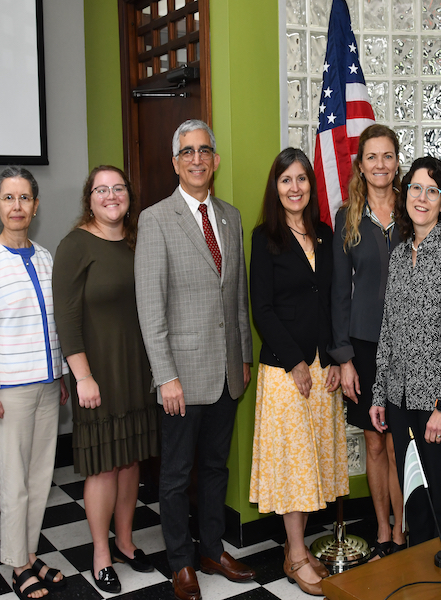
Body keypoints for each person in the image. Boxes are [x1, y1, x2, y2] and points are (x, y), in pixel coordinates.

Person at [135, 119, 255, 600]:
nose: (197, 158)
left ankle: (211, 548)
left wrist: (243, 357)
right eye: (187, 152)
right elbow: (150, 306)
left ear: (216, 160)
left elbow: (238, 297)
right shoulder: (156, 219)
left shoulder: (231, 216)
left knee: (215, 469)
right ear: (175, 162)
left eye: (205, 150)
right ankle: (181, 563)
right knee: (177, 473)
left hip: (226, 373)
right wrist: (165, 375)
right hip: (181, 377)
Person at [52, 166, 160, 594]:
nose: (111, 196)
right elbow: (67, 319)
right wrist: (83, 377)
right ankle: (100, 553)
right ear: (89, 198)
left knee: (130, 459)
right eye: (102, 190)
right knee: (103, 466)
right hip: (97, 372)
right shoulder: (75, 245)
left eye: (118, 189)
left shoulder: (137, 242)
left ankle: (127, 542)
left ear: (128, 196)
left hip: (136, 368)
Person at [249, 148, 348, 596]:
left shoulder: (325, 235)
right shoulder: (264, 237)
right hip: (286, 373)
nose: (295, 188)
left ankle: (300, 548)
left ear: (311, 185)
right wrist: (296, 362)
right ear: (276, 187)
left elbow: (331, 301)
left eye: (302, 179)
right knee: (294, 467)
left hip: (322, 369)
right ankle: (294, 555)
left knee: (314, 466)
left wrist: (330, 356)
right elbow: (262, 310)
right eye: (286, 180)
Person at [0, 167, 69, 599]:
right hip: (9, 389)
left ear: (35, 204)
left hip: (47, 383)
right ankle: (17, 565)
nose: (16, 207)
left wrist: (61, 372)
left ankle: (27, 553)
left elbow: (56, 322)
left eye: (24, 198)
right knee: (14, 481)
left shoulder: (45, 257)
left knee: (40, 477)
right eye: (8, 198)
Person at [369, 156, 441, 546]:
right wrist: (380, 394)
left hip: (440, 405)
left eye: (433, 191)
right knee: (414, 501)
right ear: (405, 194)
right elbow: (389, 329)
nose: (422, 197)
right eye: (416, 187)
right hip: (400, 399)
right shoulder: (399, 254)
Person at [330, 124, 405, 558]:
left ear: (397, 162)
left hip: (407, 348)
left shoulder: (415, 206)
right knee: (374, 441)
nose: (380, 164)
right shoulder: (348, 216)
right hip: (364, 347)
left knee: (400, 441)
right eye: (371, 157)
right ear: (361, 165)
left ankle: (403, 530)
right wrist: (344, 358)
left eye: (387, 156)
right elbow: (340, 293)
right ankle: (381, 530)